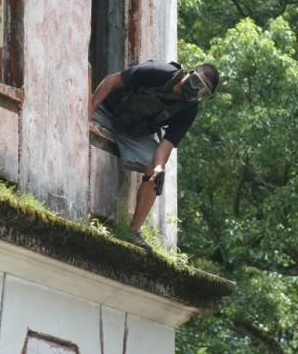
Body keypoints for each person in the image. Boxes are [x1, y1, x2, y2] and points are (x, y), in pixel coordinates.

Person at [89, 60, 219, 251]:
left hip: (133, 133)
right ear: (190, 73)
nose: (196, 91)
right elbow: (112, 81)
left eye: (203, 92)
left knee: (155, 173)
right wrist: (88, 112)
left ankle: (133, 232)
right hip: (107, 111)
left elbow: (166, 146)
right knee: (76, 111)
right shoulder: (160, 72)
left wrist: (158, 168)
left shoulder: (189, 110)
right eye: (197, 83)